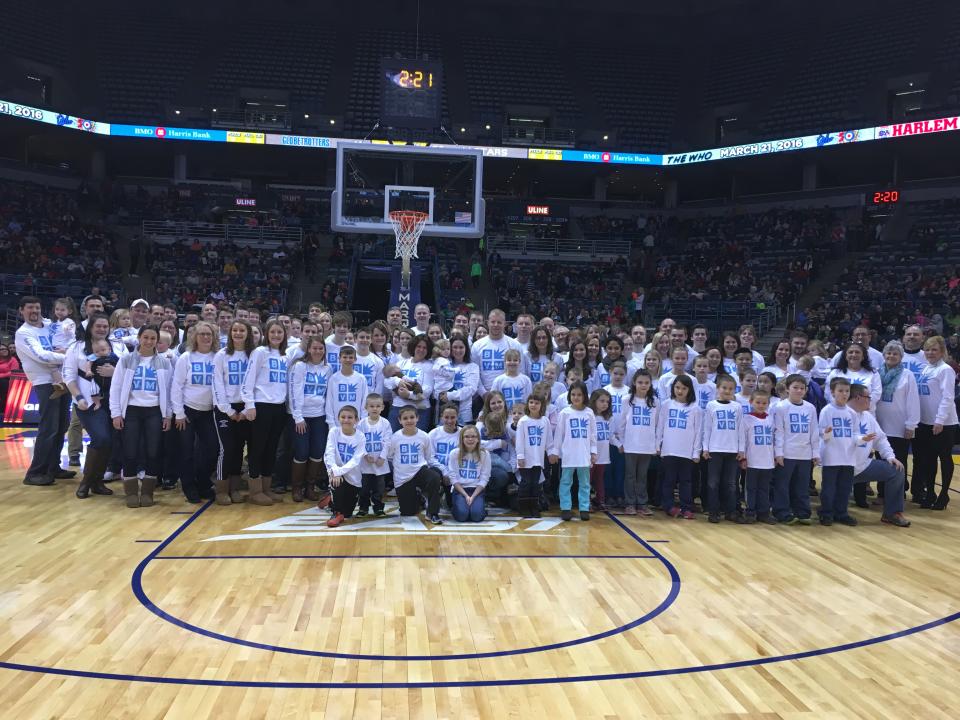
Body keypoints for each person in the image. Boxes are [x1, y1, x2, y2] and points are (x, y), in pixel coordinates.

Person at [110, 325, 173, 508]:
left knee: (153, 452)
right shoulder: (126, 359)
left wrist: (167, 415)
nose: (149, 341)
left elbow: (169, 391)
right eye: (145, 337)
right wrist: (116, 413)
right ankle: (131, 492)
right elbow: (116, 388)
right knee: (130, 452)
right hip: (131, 411)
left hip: (154, 411)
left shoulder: (164, 362)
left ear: (157, 341)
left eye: (153, 338)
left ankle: (147, 492)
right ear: (139, 338)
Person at [62, 313, 122, 499]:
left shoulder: (118, 346)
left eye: (105, 326)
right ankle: (86, 482)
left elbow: (128, 370)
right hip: (88, 401)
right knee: (101, 438)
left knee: (110, 441)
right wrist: (78, 396)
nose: (102, 329)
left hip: (114, 401)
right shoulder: (77, 347)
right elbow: (69, 376)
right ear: (90, 327)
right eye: (98, 326)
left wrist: (115, 372)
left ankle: (97, 482)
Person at [15, 296, 73, 486]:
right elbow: (41, 356)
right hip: (44, 382)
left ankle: (53, 467)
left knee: (62, 426)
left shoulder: (49, 325)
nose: (34, 311)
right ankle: (35, 472)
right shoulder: (23, 333)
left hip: (63, 379)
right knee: (49, 428)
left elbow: (68, 336)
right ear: (21, 311)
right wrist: (69, 356)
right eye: (30, 308)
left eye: (37, 307)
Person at [848, 385, 911, 527]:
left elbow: (880, 439)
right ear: (858, 398)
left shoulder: (868, 417)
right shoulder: (840, 414)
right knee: (834, 507)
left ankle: (892, 513)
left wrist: (890, 456)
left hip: (863, 466)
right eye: (868, 397)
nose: (870, 400)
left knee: (896, 470)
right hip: (841, 468)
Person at [241, 319, 289, 505]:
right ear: (266, 334)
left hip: (279, 407)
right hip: (261, 405)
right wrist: (249, 405)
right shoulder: (260, 352)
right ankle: (255, 490)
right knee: (257, 448)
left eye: (279, 332)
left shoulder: (285, 355)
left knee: (271, 448)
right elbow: (248, 380)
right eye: (273, 332)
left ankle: (267, 488)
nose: (276, 335)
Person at [171, 321, 219, 504]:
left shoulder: (218, 357)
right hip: (187, 410)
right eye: (202, 334)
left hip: (209, 411)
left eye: (209, 334)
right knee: (186, 452)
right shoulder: (186, 357)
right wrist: (179, 413)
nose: (206, 337)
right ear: (195, 337)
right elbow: (176, 386)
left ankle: (204, 483)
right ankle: (189, 487)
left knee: (211, 449)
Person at [212, 320, 256, 505]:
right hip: (225, 408)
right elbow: (217, 384)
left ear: (248, 333)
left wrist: (245, 410)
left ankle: (235, 488)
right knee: (227, 449)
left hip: (245, 408)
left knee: (238, 449)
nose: (238, 333)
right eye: (235, 330)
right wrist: (228, 410)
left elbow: (256, 383)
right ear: (230, 333)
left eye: (242, 330)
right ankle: (221, 490)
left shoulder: (253, 355)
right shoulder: (221, 355)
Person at [913, 335, 958, 509]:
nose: (930, 352)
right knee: (928, 459)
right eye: (927, 349)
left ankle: (944, 494)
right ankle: (930, 492)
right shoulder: (926, 368)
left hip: (943, 423)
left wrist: (939, 420)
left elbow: (948, 397)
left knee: (944, 458)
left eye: (934, 349)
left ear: (942, 352)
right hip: (925, 421)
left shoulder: (945, 370)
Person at [772, 374, 819, 525]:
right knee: (782, 485)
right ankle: (782, 512)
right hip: (787, 453)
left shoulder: (810, 408)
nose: (799, 391)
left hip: (805, 454)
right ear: (787, 389)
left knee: (802, 485)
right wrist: (779, 453)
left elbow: (814, 431)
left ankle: (803, 512)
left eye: (802, 388)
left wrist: (815, 452)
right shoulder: (781, 407)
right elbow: (778, 431)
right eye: (795, 388)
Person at [288, 336, 330, 504]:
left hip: (320, 416)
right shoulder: (300, 366)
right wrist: (298, 416)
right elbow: (294, 391)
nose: (317, 351)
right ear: (309, 349)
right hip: (302, 417)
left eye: (321, 348)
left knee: (318, 452)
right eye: (314, 348)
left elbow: (328, 394)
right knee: (302, 452)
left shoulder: (328, 368)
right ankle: (297, 487)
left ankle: (310, 487)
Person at [875, 341, 920, 496]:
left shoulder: (907, 375)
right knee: (881, 460)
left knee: (899, 460)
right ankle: (882, 493)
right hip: (880, 424)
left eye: (895, 354)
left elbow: (913, 401)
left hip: (900, 426)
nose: (891, 356)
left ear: (901, 357)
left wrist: (911, 425)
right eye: (888, 353)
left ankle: (897, 494)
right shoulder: (876, 373)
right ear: (884, 355)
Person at [549, 380, 596, 521]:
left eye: (579, 395)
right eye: (573, 394)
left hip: (584, 454)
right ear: (569, 395)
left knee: (585, 483)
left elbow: (593, 435)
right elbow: (559, 434)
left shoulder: (589, 413)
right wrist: (555, 451)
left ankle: (584, 508)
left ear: (584, 396)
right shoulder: (565, 413)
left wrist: (593, 451)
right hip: (568, 454)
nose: (576, 397)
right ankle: (565, 508)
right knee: (565, 482)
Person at [656, 375, 702, 519]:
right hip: (669, 450)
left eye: (684, 388)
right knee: (668, 480)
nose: (680, 391)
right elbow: (660, 426)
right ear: (673, 388)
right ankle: (669, 506)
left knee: (685, 482)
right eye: (677, 387)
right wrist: (658, 444)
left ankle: (686, 507)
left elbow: (698, 431)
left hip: (686, 452)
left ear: (690, 390)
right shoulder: (666, 404)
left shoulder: (695, 408)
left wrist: (696, 452)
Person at [388, 406, 443, 523]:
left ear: (417, 418)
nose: (409, 420)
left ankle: (433, 513)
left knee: (434, 477)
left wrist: (443, 471)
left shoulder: (424, 436)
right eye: (405, 418)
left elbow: (429, 457)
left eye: (412, 417)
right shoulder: (395, 437)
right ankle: (419, 498)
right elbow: (390, 456)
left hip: (419, 471)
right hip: (402, 477)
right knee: (407, 511)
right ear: (400, 420)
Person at [817, 377, 861, 526]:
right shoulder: (827, 411)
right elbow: (822, 434)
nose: (844, 394)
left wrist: (862, 439)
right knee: (829, 488)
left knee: (845, 487)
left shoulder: (852, 413)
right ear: (832, 392)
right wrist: (827, 433)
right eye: (840, 391)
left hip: (848, 456)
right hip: (831, 456)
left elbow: (855, 434)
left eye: (847, 391)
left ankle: (841, 513)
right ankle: (826, 512)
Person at [615, 369, 658, 517]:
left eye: (646, 382)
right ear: (634, 383)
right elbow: (622, 423)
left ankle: (642, 503)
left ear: (650, 384)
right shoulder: (627, 400)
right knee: (630, 476)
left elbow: (657, 425)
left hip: (647, 446)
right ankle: (630, 503)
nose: (643, 385)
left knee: (642, 476)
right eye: (640, 382)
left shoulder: (655, 402)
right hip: (631, 445)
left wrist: (656, 445)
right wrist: (621, 442)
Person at [703, 374, 745, 523]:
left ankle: (731, 511)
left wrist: (741, 449)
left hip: (732, 451)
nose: (727, 391)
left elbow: (740, 429)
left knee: (731, 483)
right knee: (713, 482)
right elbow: (707, 428)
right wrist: (705, 448)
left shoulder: (737, 407)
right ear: (718, 388)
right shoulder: (711, 405)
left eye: (731, 389)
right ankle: (713, 511)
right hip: (715, 449)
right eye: (724, 388)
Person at [323, 405, 367, 527]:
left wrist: (339, 471)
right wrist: (335, 471)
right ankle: (335, 512)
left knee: (347, 513)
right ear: (338, 419)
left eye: (350, 417)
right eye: (343, 417)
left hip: (352, 476)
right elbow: (329, 453)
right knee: (336, 481)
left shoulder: (361, 436)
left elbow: (355, 460)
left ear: (356, 420)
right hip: (336, 473)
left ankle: (331, 499)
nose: (346, 420)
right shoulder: (334, 432)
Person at [739, 390, 777, 524]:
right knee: (751, 488)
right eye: (758, 402)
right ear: (751, 402)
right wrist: (743, 458)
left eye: (764, 403)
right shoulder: (746, 419)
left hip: (767, 461)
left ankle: (763, 513)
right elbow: (743, 440)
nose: (761, 405)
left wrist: (775, 456)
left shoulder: (770, 419)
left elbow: (774, 439)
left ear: (768, 404)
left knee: (764, 488)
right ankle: (750, 512)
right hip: (752, 461)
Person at [384, 334, 434, 431]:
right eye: (419, 346)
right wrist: (398, 381)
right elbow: (387, 381)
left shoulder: (430, 366)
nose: (421, 350)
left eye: (425, 347)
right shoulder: (402, 363)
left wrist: (409, 395)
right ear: (413, 346)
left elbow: (428, 390)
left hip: (419, 410)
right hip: (398, 407)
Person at [515, 392, 552, 518]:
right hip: (525, 459)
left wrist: (551, 453)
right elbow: (519, 441)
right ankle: (524, 507)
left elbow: (549, 440)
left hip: (538, 459)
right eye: (531, 402)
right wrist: (520, 456)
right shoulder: (523, 421)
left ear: (542, 405)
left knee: (536, 484)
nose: (533, 405)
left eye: (537, 403)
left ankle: (534, 506)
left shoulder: (545, 421)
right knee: (526, 483)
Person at [472, 308, 522, 394]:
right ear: (487, 323)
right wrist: (484, 394)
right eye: (493, 322)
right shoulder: (477, 345)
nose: (496, 325)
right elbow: (474, 373)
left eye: (499, 322)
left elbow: (520, 371)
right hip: (485, 395)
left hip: (509, 393)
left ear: (505, 324)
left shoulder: (514, 345)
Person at [357, 393, 392, 516]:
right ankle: (363, 507)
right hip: (365, 462)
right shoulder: (361, 424)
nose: (375, 408)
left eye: (378, 406)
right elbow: (359, 442)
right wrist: (365, 455)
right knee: (364, 486)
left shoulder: (385, 423)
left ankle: (378, 507)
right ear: (366, 407)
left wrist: (382, 457)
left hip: (380, 462)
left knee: (379, 487)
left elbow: (388, 442)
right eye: (372, 406)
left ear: (382, 407)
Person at [449, 425, 491, 523]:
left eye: (473, 436)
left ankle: (478, 507)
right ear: (462, 439)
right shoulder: (454, 453)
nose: (470, 439)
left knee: (476, 516)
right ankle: (455, 506)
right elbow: (453, 478)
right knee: (462, 516)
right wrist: (466, 496)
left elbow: (485, 478)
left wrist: (473, 496)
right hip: (460, 489)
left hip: (476, 489)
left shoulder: (485, 454)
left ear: (478, 439)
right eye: (467, 436)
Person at [825, 342, 881, 411]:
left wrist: (861, 406)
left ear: (863, 356)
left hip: (865, 412)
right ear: (846, 356)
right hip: (840, 412)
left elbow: (876, 393)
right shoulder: (835, 373)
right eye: (850, 352)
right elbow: (828, 393)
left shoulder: (873, 373)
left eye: (857, 352)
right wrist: (843, 406)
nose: (854, 355)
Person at [439, 333, 479, 425]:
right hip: (445, 413)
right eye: (455, 347)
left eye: (461, 347)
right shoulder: (443, 364)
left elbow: (471, 389)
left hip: (464, 413)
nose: (458, 350)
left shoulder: (473, 367)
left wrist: (450, 395)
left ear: (466, 349)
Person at [326, 346, 367, 428]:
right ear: (339, 359)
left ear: (355, 359)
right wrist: (331, 424)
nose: (348, 360)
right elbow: (329, 402)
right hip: (337, 424)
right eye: (345, 357)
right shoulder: (333, 378)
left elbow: (364, 401)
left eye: (351, 357)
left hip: (356, 424)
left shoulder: (361, 378)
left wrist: (362, 422)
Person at [589, 389, 614, 512]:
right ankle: (586, 501)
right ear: (594, 401)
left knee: (599, 479)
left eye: (607, 402)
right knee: (587, 479)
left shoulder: (608, 418)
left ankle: (600, 500)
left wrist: (619, 444)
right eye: (602, 401)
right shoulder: (589, 416)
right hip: (591, 455)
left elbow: (611, 436)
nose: (605, 404)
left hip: (603, 455)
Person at [0, 343, 21, 421]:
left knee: (3, 383)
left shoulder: (12, 359)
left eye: (6, 349)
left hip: (10, 381)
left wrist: (1, 375)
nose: (5, 350)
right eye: (2, 349)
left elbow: (13, 372)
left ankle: (3, 410)